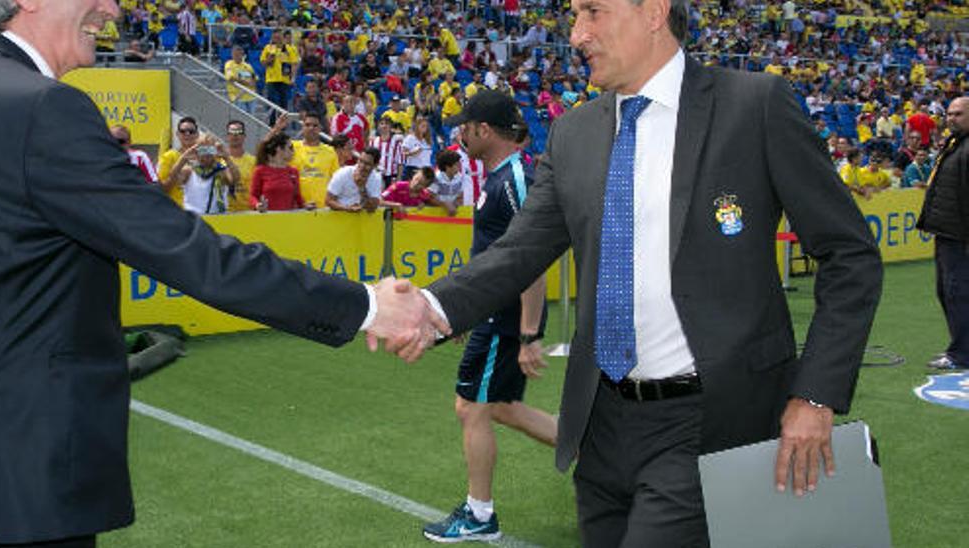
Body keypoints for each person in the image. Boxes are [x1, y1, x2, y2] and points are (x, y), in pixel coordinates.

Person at [0, 1, 433, 546]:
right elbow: (186, 250)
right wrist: (366, 306)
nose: (113, 8)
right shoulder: (42, 108)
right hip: (27, 470)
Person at [370, 1, 883, 545]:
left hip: (710, 420)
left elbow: (850, 256)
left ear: (654, 11)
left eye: (592, 11)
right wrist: (431, 306)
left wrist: (816, 395)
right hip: (602, 424)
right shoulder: (574, 134)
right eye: (573, 16)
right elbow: (516, 252)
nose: (576, 34)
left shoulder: (754, 105)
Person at [416, 91, 557, 543]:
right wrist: (464, 311)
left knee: (470, 407)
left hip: (507, 318)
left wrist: (530, 333)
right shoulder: (499, 176)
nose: (458, 134)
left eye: (465, 126)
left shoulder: (516, 177)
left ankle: (479, 515)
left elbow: (532, 258)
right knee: (500, 407)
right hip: (496, 314)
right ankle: (597, 451)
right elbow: (494, 257)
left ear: (484, 130)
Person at [918, 96, 969, 371]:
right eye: (949, 114)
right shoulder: (955, 144)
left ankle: (961, 353)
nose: (951, 119)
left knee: (957, 292)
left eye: (958, 114)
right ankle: (961, 348)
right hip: (946, 232)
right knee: (948, 292)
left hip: (960, 237)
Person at [250, 132, 313, 212]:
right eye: (290, 147)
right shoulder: (260, 170)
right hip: (268, 219)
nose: (293, 151)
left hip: (288, 219)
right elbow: (253, 196)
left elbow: (298, 197)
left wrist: (306, 205)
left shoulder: (293, 171)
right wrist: (258, 205)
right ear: (279, 149)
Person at [157, 117, 201, 205]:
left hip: (204, 213)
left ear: (197, 134)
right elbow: (161, 189)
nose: (187, 134)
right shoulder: (168, 157)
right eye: (183, 131)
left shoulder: (207, 157)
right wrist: (180, 165)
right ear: (177, 134)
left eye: (191, 131)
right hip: (178, 211)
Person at [325, 147, 382, 213]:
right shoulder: (344, 173)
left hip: (362, 220)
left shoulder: (376, 178)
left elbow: (372, 208)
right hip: (339, 218)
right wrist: (347, 208)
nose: (362, 166)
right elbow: (328, 201)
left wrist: (362, 188)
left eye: (367, 164)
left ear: (375, 165)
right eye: (360, 161)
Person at [223, 120, 256, 212]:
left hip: (248, 212)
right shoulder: (218, 160)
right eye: (232, 132)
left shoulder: (253, 161)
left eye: (239, 132)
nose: (235, 135)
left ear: (244, 136)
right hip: (224, 213)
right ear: (227, 136)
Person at [224, 45, 257, 113]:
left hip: (251, 96)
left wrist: (252, 82)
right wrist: (245, 83)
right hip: (238, 97)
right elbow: (230, 78)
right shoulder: (229, 64)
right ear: (232, 55)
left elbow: (254, 77)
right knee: (242, 118)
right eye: (236, 55)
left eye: (240, 54)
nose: (238, 57)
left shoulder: (247, 66)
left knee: (252, 119)